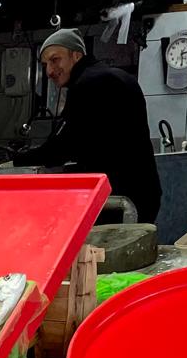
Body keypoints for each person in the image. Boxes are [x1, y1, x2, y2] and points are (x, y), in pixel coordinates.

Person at [16, 30, 162, 223]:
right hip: (142, 193)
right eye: (45, 65)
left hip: (119, 198)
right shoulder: (116, 76)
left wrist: (18, 160)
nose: (50, 71)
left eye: (55, 60)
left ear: (76, 55)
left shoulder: (89, 84)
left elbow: (65, 146)